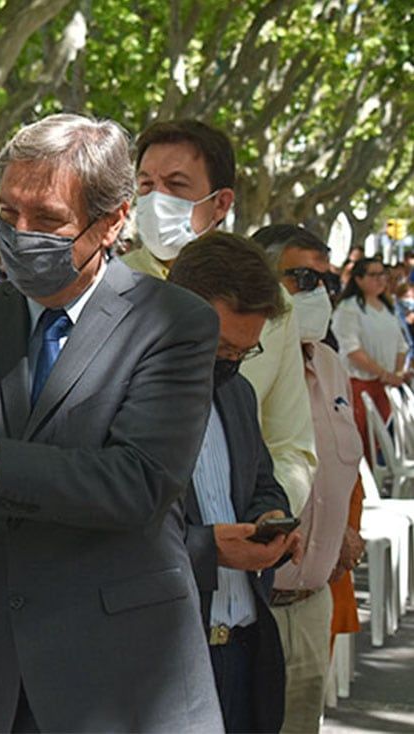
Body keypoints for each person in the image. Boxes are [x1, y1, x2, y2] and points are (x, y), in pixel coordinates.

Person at [0, 113, 223, 731]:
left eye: (46, 219)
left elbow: (136, 483)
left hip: (120, 681)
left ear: (113, 220)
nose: (20, 234)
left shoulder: (174, 323)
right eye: (9, 213)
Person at [123, 118, 317, 519]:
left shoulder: (271, 305)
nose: (156, 200)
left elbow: (290, 444)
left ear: (222, 203)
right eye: (146, 185)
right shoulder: (108, 294)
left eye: (176, 185)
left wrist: (266, 516)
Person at [167, 233, 298, 733]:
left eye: (245, 351)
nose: (229, 363)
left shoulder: (238, 393)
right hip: (170, 662)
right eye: (220, 347)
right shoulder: (124, 396)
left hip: (244, 651)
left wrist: (270, 517)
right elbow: (109, 529)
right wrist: (208, 549)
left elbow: (262, 481)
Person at [255, 224, 362, 733]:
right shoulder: (238, 362)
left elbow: (341, 470)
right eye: (301, 278)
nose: (318, 292)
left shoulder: (331, 365)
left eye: (328, 281)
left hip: (313, 601)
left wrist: (343, 527)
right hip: (251, 605)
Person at [331, 257, 407, 456]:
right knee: (359, 443)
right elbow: (352, 350)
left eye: (382, 274)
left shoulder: (387, 308)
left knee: (379, 444)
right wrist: (384, 373)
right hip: (359, 385)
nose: (380, 279)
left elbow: (401, 345)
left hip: (385, 386)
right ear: (358, 279)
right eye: (373, 275)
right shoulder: (348, 308)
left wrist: (397, 373)